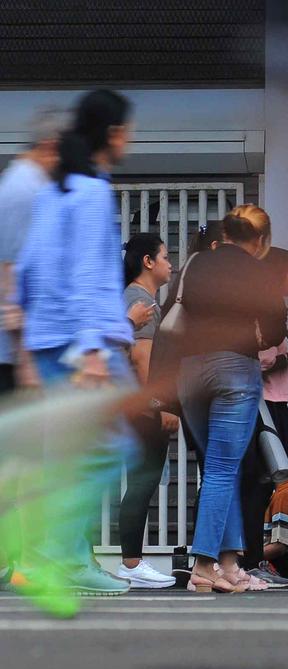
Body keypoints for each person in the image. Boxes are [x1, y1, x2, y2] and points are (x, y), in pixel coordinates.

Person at [12, 89, 138, 601]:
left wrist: (28, 347)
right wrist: (91, 350)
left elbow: (26, 269)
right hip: (82, 341)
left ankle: (49, 556)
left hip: (50, 338)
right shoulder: (90, 191)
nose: (131, 139)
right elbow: (89, 274)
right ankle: (57, 556)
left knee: (66, 455)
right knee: (113, 448)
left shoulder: (56, 189)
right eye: (128, 130)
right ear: (112, 135)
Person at [177, 204, 287, 593]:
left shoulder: (196, 263)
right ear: (260, 241)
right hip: (233, 370)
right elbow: (276, 327)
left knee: (220, 469)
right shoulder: (260, 270)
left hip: (190, 371)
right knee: (225, 469)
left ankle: (228, 565)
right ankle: (204, 566)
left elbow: (181, 307)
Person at [113, 235, 178, 589]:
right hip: (141, 406)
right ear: (148, 262)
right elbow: (143, 360)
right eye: (165, 257)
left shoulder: (140, 298)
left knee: (142, 478)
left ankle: (131, 561)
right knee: (143, 478)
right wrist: (161, 405)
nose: (171, 263)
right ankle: (132, 563)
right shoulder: (141, 300)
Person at [240, 246, 288, 588]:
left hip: (274, 401)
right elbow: (258, 359)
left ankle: (253, 561)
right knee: (260, 483)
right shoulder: (265, 311)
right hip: (264, 402)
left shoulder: (275, 310)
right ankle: (248, 562)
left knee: (266, 484)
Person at [0, 107, 64, 395]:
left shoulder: (32, 184)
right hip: (18, 357)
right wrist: (25, 360)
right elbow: (10, 272)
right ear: (51, 146)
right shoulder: (24, 189)